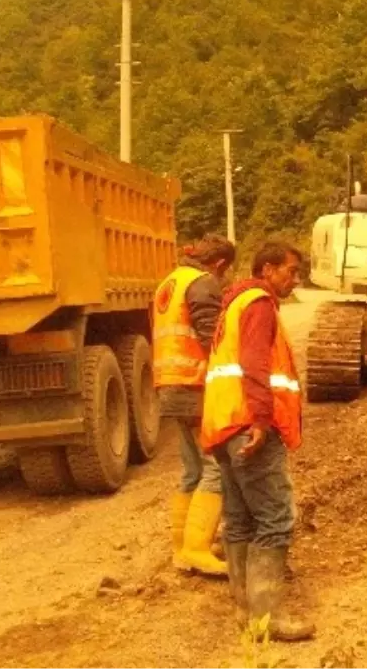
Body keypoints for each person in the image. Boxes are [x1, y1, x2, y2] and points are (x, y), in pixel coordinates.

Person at [200, 241, 314, 641]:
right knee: (275, 520)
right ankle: (267, 621)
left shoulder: (233, 304)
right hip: (249, 425)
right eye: (290, 270)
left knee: (240, 520)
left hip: (224, 425)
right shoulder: (259, 304)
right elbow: (254, 365)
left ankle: (246, 613)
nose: (294, 278)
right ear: (267, 270)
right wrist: (263, 421)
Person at [152, 233, 236, 577]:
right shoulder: (203, 284)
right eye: (226, 272)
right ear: (218, 265)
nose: (225, 279)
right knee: (215, 467)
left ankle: (181, 549)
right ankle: (199, 548)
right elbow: (212, 339)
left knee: (192, 470)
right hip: (194, 387)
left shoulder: (170, 281)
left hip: (169, 385)